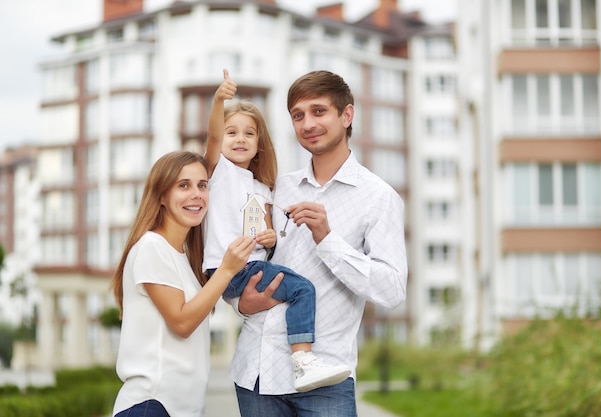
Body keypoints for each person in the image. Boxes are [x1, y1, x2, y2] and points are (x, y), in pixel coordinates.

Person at [230, 70, 408, 416]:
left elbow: (393, 290)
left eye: (318, 111)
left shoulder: (378, 198)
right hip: (256, 373)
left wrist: (327, 239)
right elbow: (244, 258)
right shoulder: (277, 188)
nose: (308, 123)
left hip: (326, 381)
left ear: (347, 115)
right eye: (298, 115)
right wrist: (241, 303)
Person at [202, 69, 351, 392]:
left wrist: (269, 237)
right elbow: (212, 137)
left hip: (253, 266)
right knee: (303, 290)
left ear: (260, 143)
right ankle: (303, 361)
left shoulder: (264, 188)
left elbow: (266, 234)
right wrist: (219, 100)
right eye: (232, 132)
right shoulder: (219, 174)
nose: (239, 139)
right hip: (231, 268)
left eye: (248, 134)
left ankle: (296, 359)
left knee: (293, 291)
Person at [110, 151, 257, 417]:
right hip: (151, 405)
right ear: (162, 196)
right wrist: (226, 269)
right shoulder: (152, 247)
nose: (196, 194)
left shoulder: (187, 260)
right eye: (183, 185)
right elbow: (181, 323)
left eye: (202, 185)